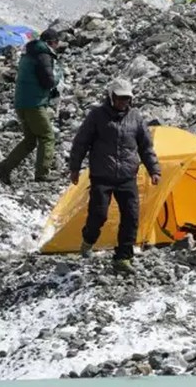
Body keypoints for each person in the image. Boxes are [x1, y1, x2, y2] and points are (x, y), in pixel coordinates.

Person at [69, 79, 161, 273]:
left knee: (131, 217)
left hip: (127, 177)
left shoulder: (135, 117)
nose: (123, 102)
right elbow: (81, 142)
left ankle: (123, 257)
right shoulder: (97, 116)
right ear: (111, 96)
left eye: (126, 99)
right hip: (102, 175)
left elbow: (146, 147)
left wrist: (154, 170)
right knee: (99, 214)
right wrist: (75, 168)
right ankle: (88, 239)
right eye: (119, 98)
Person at [0, 29, 63, 184]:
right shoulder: (43, 56)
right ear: (51, 42)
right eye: (56, 43)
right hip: (34, 104)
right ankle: (42, 174)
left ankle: (4, 168)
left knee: (30, 141)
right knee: (47, 136)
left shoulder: (29, 54)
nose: (57, 46)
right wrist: (58, 75)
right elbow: (48, 81)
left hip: (21, 103)